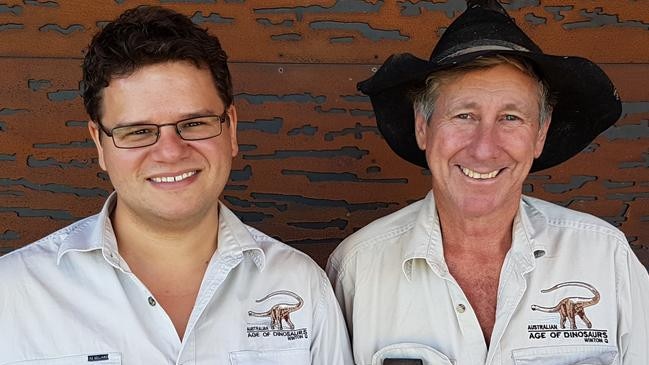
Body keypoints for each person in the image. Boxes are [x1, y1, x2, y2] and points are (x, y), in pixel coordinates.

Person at [0, 6, 352, 364]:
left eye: (194, 123)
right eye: (138, 131)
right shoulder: (12, 294)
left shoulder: (301, 285)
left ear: (230, 127)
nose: (170, 152)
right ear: (99, 143)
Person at [326, 1, 649, 364]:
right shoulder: (358, 267)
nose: (484, 148)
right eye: (464, 115)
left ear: (540, 133)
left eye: (510, 117)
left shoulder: (605, 258)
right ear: (423, 126)